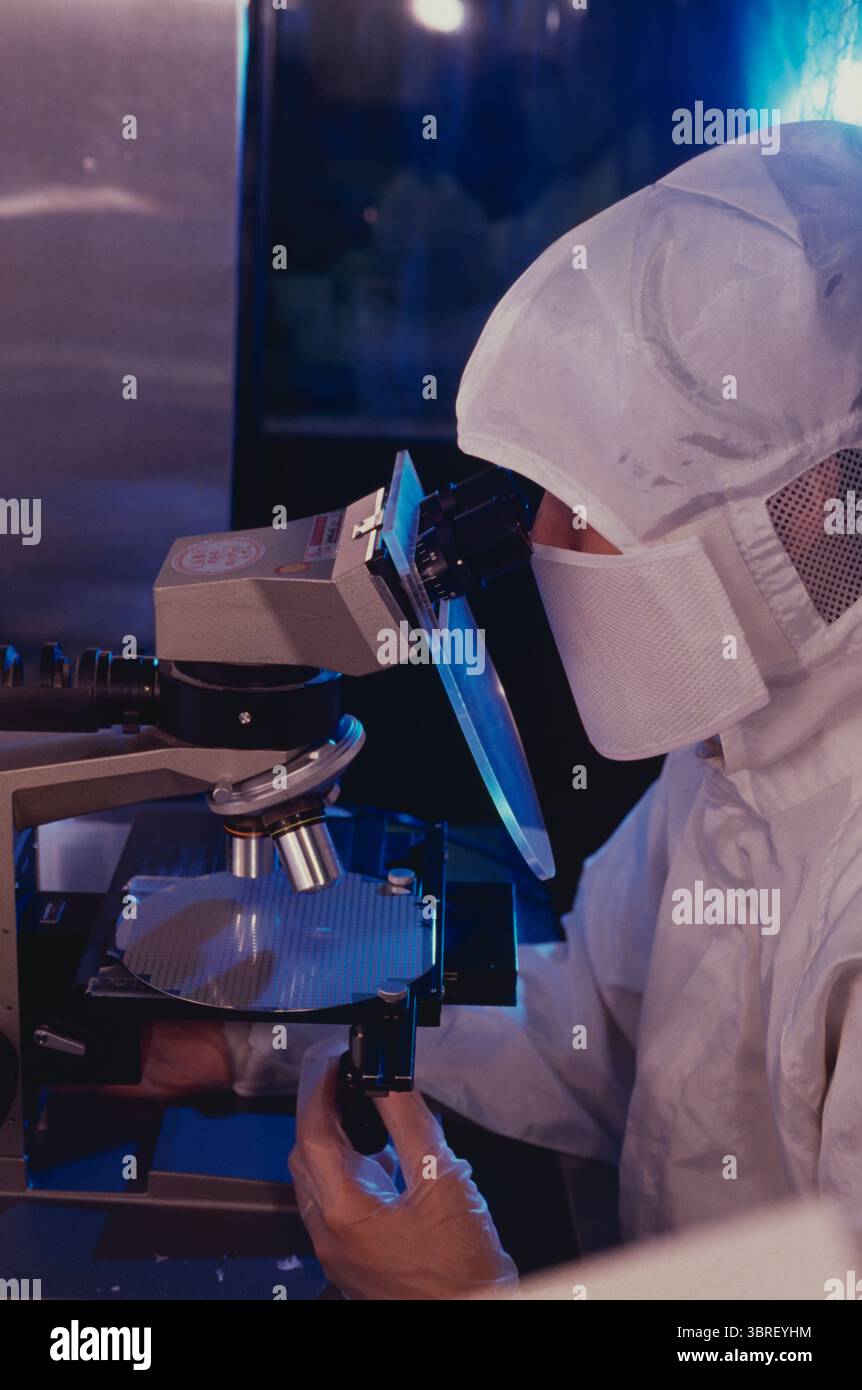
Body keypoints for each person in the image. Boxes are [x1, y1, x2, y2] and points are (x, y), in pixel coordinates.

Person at [133, 121, 862, 1298]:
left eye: (583, 506)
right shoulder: (742, 755)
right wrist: (249, 1042)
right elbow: (584, 1021)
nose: (536, 545)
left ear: (794, 525)